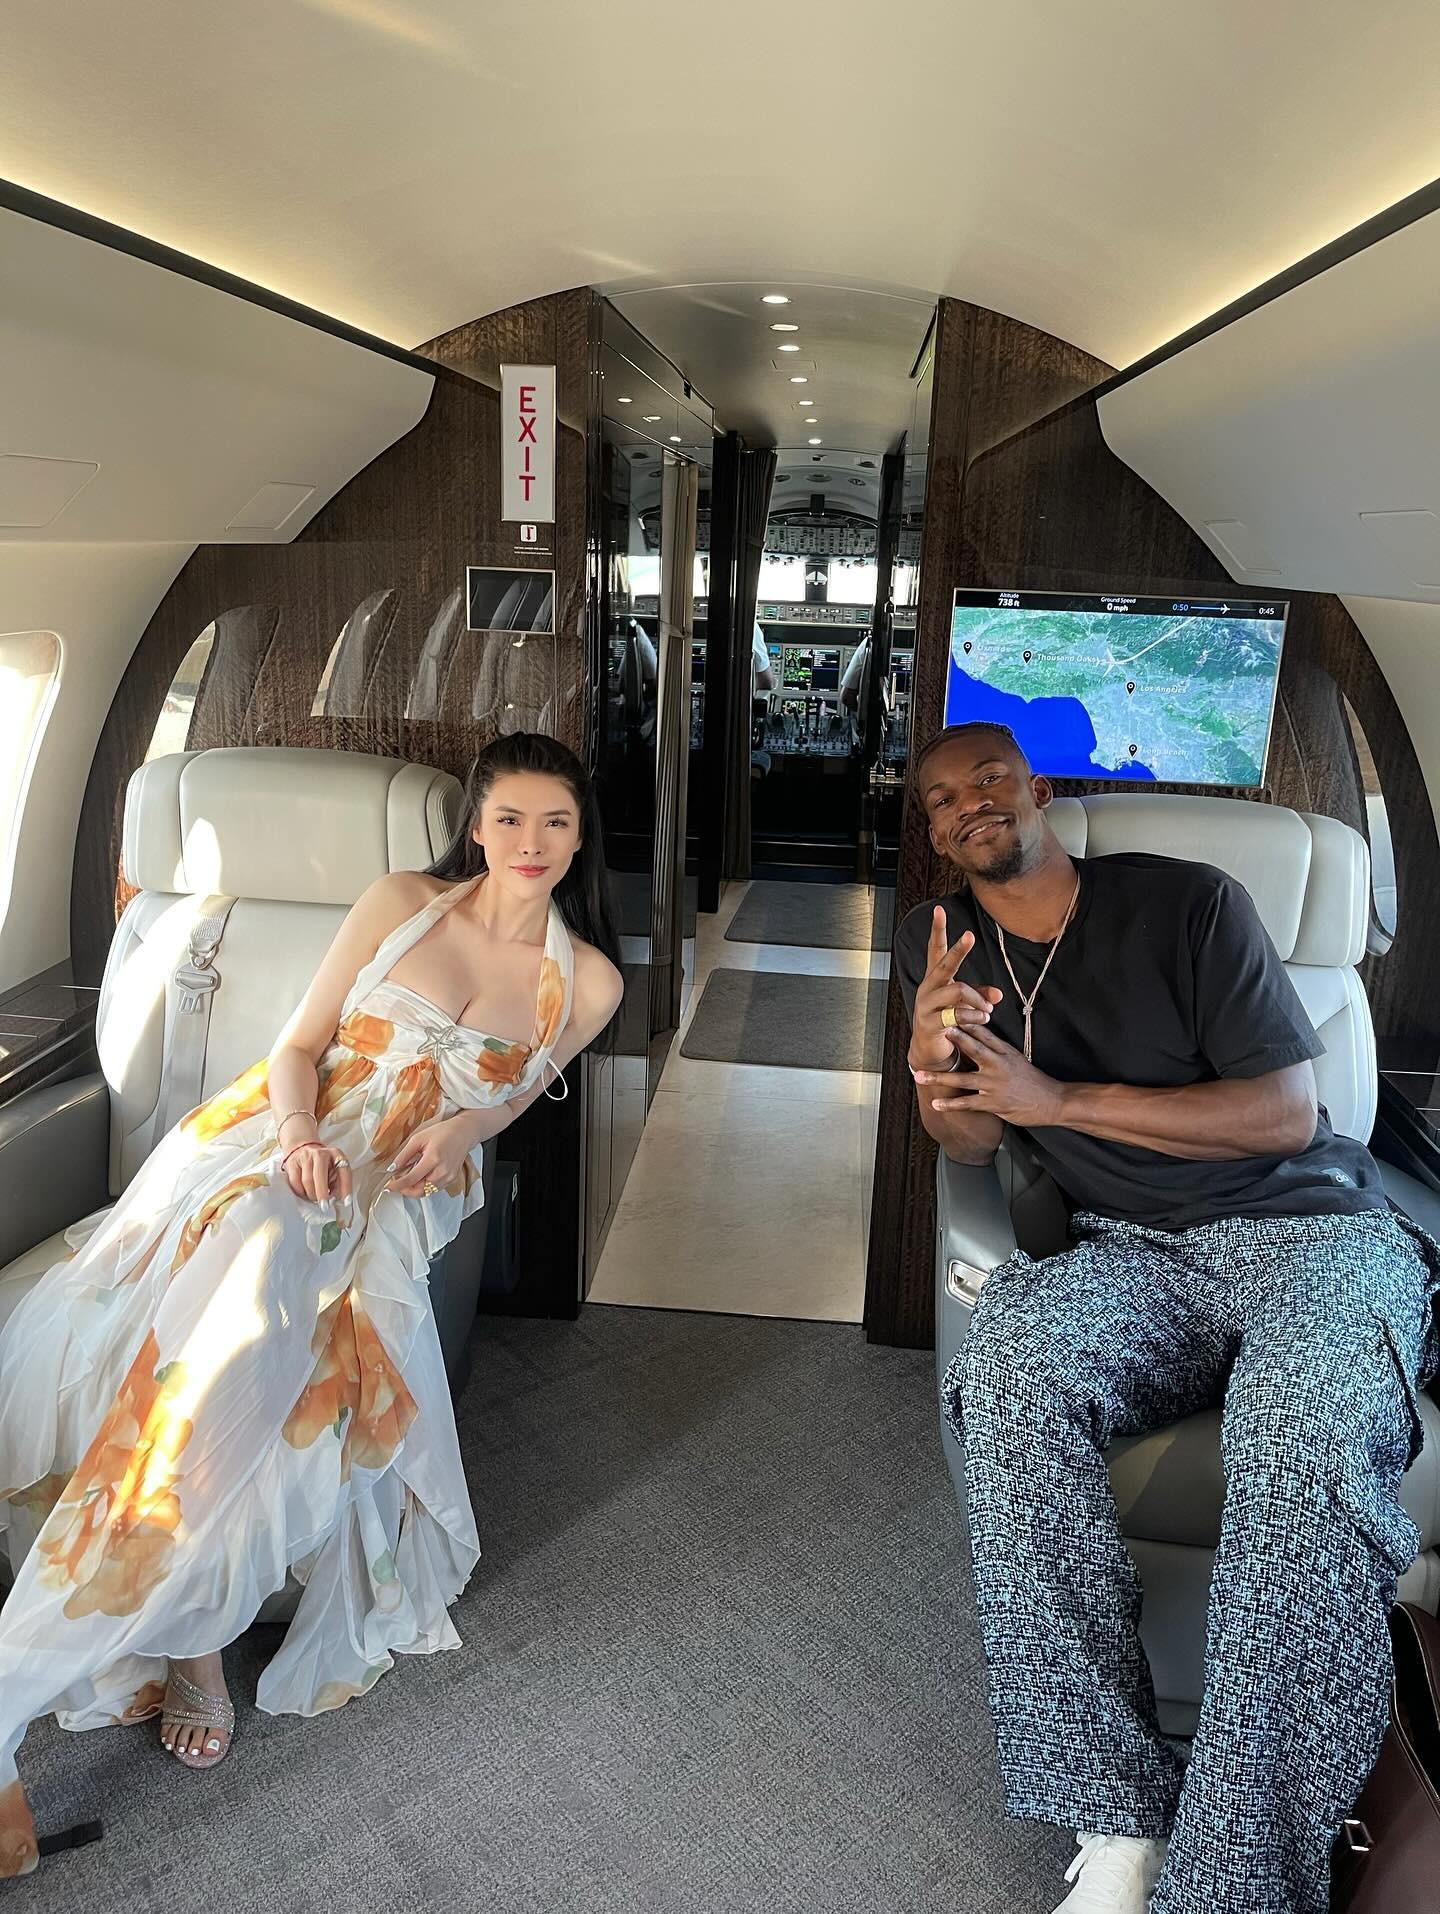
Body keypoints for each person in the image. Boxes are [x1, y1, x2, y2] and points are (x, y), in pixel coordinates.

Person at [0, 732, 623, 1876]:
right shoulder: (399, 902)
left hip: (403, 1191)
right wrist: (294, 1140)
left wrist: (461, 1129)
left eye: (556, 823)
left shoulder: (586, 981)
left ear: (582, 838)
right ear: (476, 825)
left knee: (268, 1333)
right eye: (510, 819)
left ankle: (113, 1652)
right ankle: (162, 1636)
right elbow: (295, 1047)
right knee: (250, 1284)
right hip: (280, 1145)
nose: (530, 843)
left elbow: (509, 1103)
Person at [894, 721, 1440, 1914]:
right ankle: (1118, 1817)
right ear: (933, 831)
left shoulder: (1191, 905)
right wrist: (934, 1070)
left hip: (1312, 1233)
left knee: (1296, 1446)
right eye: (940, 799)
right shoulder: (940, 941)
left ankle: (1237, 1881)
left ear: (1038, 788)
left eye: (989, 779)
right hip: (1132, 1254)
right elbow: (971, 1141)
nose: (968, 804)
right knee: (1008, 1371)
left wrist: (1059, 1098)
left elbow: (1285, 1114)